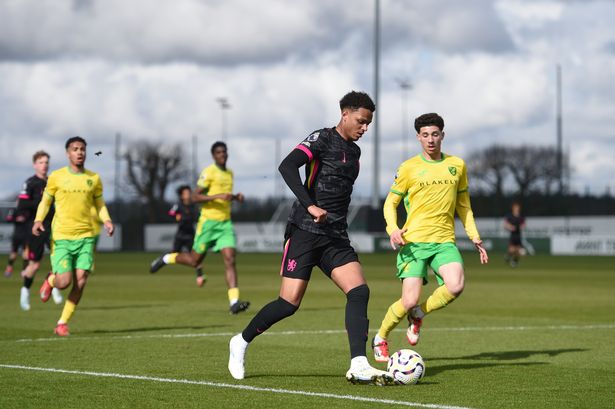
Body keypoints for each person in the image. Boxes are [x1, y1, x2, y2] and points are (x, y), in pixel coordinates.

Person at [227, 91, 394, 386]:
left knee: (359, 291)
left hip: (335, 236)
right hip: (305, 230)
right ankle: (240, 341)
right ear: (345, 113)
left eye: (369, 123)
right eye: (361, 121)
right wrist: (310, 205)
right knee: (289, 303)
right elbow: (287, 166)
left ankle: (358, 363)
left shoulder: (355, 152)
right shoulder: (321, 138)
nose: (365, 128)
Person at [371, 113, 489, 363]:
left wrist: (475, 237)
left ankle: (419, 314)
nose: (431, 139)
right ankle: (381, 337)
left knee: (455, 286)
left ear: (442, 135)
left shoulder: (457, 165)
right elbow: (390, 204)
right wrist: (392, 228)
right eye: (425, 135)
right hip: (413, 243)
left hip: (444, 241)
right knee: (408, 299)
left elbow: (464, 206)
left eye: (435, 134)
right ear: (418, 137)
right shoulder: (408, 168)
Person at [150, 141, 249, 314]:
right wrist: (217, 195)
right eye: (219, 152)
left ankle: (234, 302)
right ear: (213, 155)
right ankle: (166, 258)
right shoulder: (209, 172)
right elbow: (194, 197)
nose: (222, 155)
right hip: (208, 224)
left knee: (230, 259)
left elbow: (225, 198)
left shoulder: (230, 173)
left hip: (225, 224)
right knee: (195, 260)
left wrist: (235, 197)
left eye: (224, 152)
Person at [33, 136, 114, 336]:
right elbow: (45, 201)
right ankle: (52, 280)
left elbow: (100, 204)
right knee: (64, 282)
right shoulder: (56, 177)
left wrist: (107, 220)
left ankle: (62, 322)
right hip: (61, 237)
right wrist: (38, 220)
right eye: (75, 149)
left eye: (82, 149)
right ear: (68, 153)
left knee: (81, 280)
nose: (79, 152)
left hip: (86, 236)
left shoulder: (93, 178)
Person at [19, 151, 63, 310]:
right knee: (35, 265)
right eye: (41, 162)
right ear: (35, 164)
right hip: (36, 227)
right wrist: (41, 202)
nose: (44, 165)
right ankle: (25, 291)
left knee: (59, 259)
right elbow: (22, 205)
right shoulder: (30, 183)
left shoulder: (53, 181)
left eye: (46, 162)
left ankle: (54, 286)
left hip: (54, 226)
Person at [167, 185, 205, 286]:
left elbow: (199, 216)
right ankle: (161, 261)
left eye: (188, 192)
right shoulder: (178, 205)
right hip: (180, 234)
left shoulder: (193, 206)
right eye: (185, 193)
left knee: (196, 257)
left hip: (190, 235)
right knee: (174, 254)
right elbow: (171, 213)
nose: (187, 194)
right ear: (181, 196)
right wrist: (176, 216)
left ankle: (200, 276)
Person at [3, 206, 29, 278]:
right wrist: (16, 219)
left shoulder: (28, 210)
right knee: (13, 253)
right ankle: (9, 268)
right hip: (16, 236)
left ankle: (24, 271)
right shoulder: (14, 210)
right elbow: (8, 219)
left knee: (26, 254)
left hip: (26, 236)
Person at [504, 201, 525, 267]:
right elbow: (506, 225)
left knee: (519, 251)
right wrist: (510, 227)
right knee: (511, 250)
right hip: (513, 235)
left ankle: (515, 261)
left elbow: (523, 224)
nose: (516, 209)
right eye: (515, 208)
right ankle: (508, 256)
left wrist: (521, 227)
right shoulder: (510, 216)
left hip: (518, 235)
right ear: (513, 208)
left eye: (517, 208)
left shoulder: (521, 216)